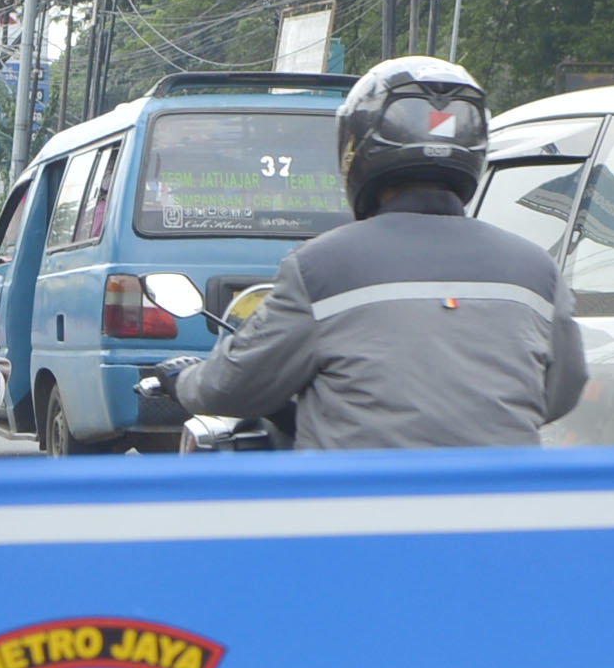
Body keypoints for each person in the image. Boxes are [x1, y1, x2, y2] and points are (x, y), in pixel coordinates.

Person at [169, 55, 586, 446]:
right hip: (502, 511)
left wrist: (182, 382)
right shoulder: (537, 270)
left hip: (360, 513)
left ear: (357, 149)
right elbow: (562, 390)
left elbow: (233, 387)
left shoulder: (318, 268)